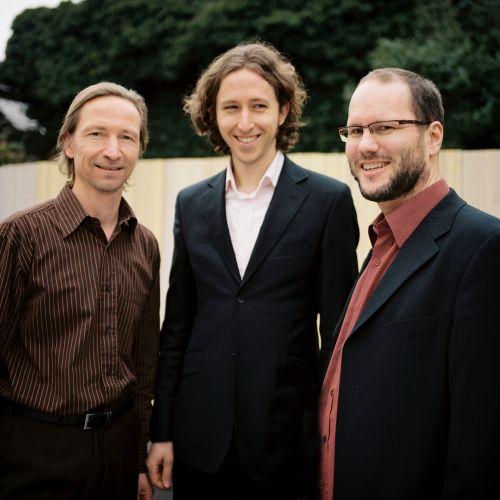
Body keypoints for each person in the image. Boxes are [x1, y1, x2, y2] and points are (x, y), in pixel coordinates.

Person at [147, 42, 359, 499]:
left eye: (258, 106)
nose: (245, 122)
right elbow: (178, 325)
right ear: (213, 115)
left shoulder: (328, 202)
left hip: (287, 439)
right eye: (231, 107)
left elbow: (339, 334)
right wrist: (160, 430)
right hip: (199, 440)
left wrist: (334, 436)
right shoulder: (191, 203)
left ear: (283, 110)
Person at [319, 67, 500, 500]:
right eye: (355, 130)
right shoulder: (380, 245)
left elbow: (481, 445)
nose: (365, 145)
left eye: (385, 127)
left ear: (433, 136)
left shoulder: (482, 248)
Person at [0, 82, 160, 500]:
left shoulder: (145, 245)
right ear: (68, 143)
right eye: (97, 134)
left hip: (118, 450)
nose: (113, 150)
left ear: (139, 149)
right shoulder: (21, 235)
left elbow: (144, 363)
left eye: (127, 137)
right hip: (36, 451)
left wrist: (138, 456)